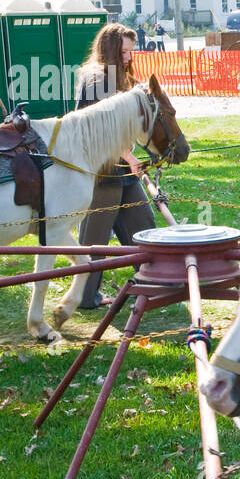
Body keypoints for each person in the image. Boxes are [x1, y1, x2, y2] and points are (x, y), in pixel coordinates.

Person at [74, 22, 157, 309]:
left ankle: (154, 283)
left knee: (143, 226)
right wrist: (132, 159)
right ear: (109, 49)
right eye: (124, 52)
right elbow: (106, 129)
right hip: (103, 167)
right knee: (95, 238)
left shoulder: (114, 76)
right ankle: (84, 296)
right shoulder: (99, 77)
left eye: (130, 52)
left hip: (121, 168)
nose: (128, 57)